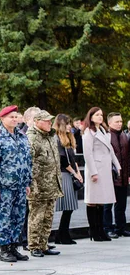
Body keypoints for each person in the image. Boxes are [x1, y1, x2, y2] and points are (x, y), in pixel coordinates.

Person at [0, 106, 32, 262]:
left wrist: (27, 183)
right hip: (5, 186)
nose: (15, 119)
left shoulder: (22, 136)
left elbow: (27, 161)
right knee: (5, 218)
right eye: (11, 117)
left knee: (18, 218)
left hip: (20, 185)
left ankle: (14, 247)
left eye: (16, 116)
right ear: (2, 118)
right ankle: (4, 249)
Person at [26, 110, 63, 258]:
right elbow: (29, 163)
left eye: (50, 120)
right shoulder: (32, 138)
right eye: (46, 121)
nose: (49, 123)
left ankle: (43, 244)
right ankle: (34, 246)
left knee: (48, 216)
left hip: (51, 184)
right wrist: (32, 184)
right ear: (37, 121)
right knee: (37, 217)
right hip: (38, 186)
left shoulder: (50, 136)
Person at [82, 107, 121, 241]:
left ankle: (100, 230)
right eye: (97, 115)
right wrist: (93, 172)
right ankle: (94, 231)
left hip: (105, 169)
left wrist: (117, 165)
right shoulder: (88, 132)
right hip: (96, 169)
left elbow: (110, 150)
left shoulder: (103, 130)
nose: (100, 117)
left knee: (101, 201)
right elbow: (87, 153)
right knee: (93, 201)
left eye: (101, 115)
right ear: (91, 116)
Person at [54, 114, 83, 245]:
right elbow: (63, 160)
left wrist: (78, 173)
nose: (70, 126)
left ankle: (62, 234)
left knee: (69, 207)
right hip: (64, 174)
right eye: (67, 123)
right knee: (67, 206)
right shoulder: (57, 139)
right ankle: (62, 234)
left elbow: (73, 158)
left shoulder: (68, 139)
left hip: (70, 173)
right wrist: (75, 173)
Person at [103, 112, 130, 237]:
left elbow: (128, 157)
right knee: (107, 205)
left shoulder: (125, 136)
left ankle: (121, 227)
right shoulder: (106, 136)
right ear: (109, 123)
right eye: (116, 122)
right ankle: (107, 228)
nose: (119, 124)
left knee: (121, 204)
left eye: (120, 121)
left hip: (123, 176)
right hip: (110, 175)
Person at [19, 106, 41, 249]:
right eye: (35, 119)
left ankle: (38, 240)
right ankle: (25, 240)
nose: (38, 121)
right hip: (28, 180)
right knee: (27, 211)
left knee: (39, 212)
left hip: (41, 179)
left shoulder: (42, 135)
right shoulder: (22, 136)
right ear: (27, 121)